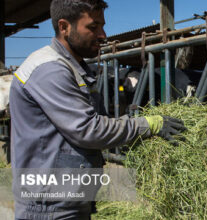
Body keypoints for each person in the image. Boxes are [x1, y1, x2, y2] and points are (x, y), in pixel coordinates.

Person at [9, 0, 186, 219]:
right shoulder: (50, 69)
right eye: (93, 27)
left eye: (102, 26)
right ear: (64, 27)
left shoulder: (71, 67)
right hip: (49, 205)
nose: (103, 35)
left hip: (64, 198)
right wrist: (146, 124)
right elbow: (87, 129)